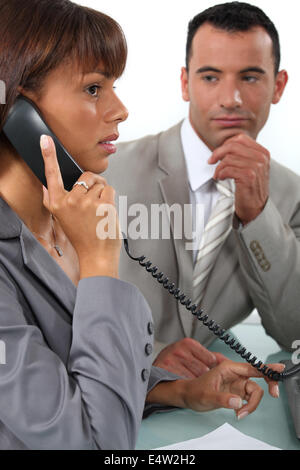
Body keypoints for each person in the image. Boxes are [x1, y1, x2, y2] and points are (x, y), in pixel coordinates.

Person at [0, 0, 284, 450]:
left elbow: (62, 379)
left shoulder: (62, 220)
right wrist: (98, 262)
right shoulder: (78, 239)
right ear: (19, 113)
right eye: (94, 89)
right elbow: (96, 443)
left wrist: (174, 389)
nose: (121, 110)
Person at [104, 1, 300, 379]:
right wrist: (151, 353)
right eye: (210, 77)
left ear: (278, 86)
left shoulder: (291, 196)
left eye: (250, 77)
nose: (230, 98)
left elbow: (294, 332)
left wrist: (259, 215)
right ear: (184, 82)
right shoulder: (107, 172)